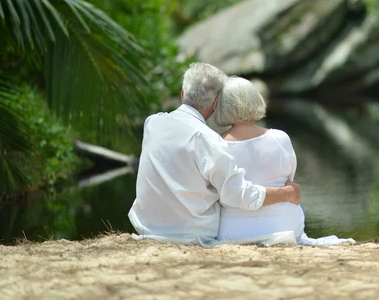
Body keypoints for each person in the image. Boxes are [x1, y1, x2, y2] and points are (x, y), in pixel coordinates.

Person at [128, 63, 301, 245]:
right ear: (215, 104)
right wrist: (285, 193)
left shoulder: (153, 123)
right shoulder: (208, 140)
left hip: (146, 229)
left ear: (182, 93)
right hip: (190, 235)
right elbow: (237, 194)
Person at [214, 76, 355, 246]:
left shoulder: (215, 144)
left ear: (222, 107)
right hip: (284, 226)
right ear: (255, 100)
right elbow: (289, 181)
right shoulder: (279, 138)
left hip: (233, 231)